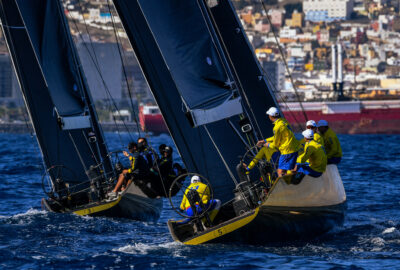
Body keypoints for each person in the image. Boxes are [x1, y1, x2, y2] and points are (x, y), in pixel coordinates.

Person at [257, 107, 300, 177]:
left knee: (280, 171)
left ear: (271, 116)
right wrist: (264, 140)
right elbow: (280, 136)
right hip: (294, 149)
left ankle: (283, 186)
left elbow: (275, 145)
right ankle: (294, 183)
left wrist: (266, 145)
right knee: (291, 168)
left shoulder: (277, 127)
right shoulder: (284, 121)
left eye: (269, 115)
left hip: (286, 151)